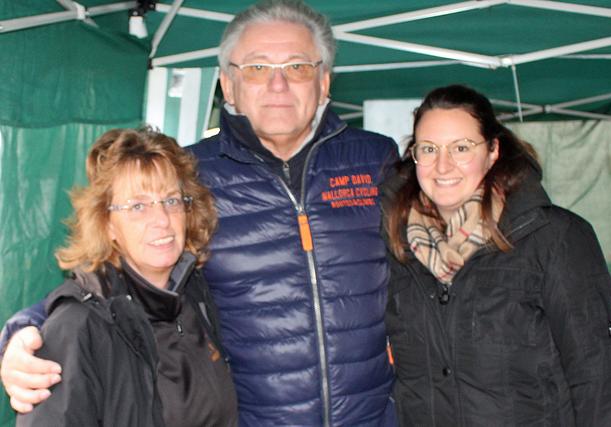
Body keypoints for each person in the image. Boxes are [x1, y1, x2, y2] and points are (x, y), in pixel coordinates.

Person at [1, 1, 398, 425]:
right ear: (228, 85)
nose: (278, 84)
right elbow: (114, 271)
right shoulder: (190, 176)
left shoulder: (375, 159)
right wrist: (24, 330)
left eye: (297, 67)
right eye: (257, 68)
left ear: (324, 81)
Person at [382, 84, 611, 426]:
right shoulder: (395, 246)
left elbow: (601, 379)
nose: (443, 165)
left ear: (493, 151)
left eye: (461, 147)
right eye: (429, 149)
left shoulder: (553, 238)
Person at [13, 128, 238, 426]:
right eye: (138, 206)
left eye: (171, 200)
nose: (162, 219)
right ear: (107, 224)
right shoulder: (77, 328)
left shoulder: (195, 294)